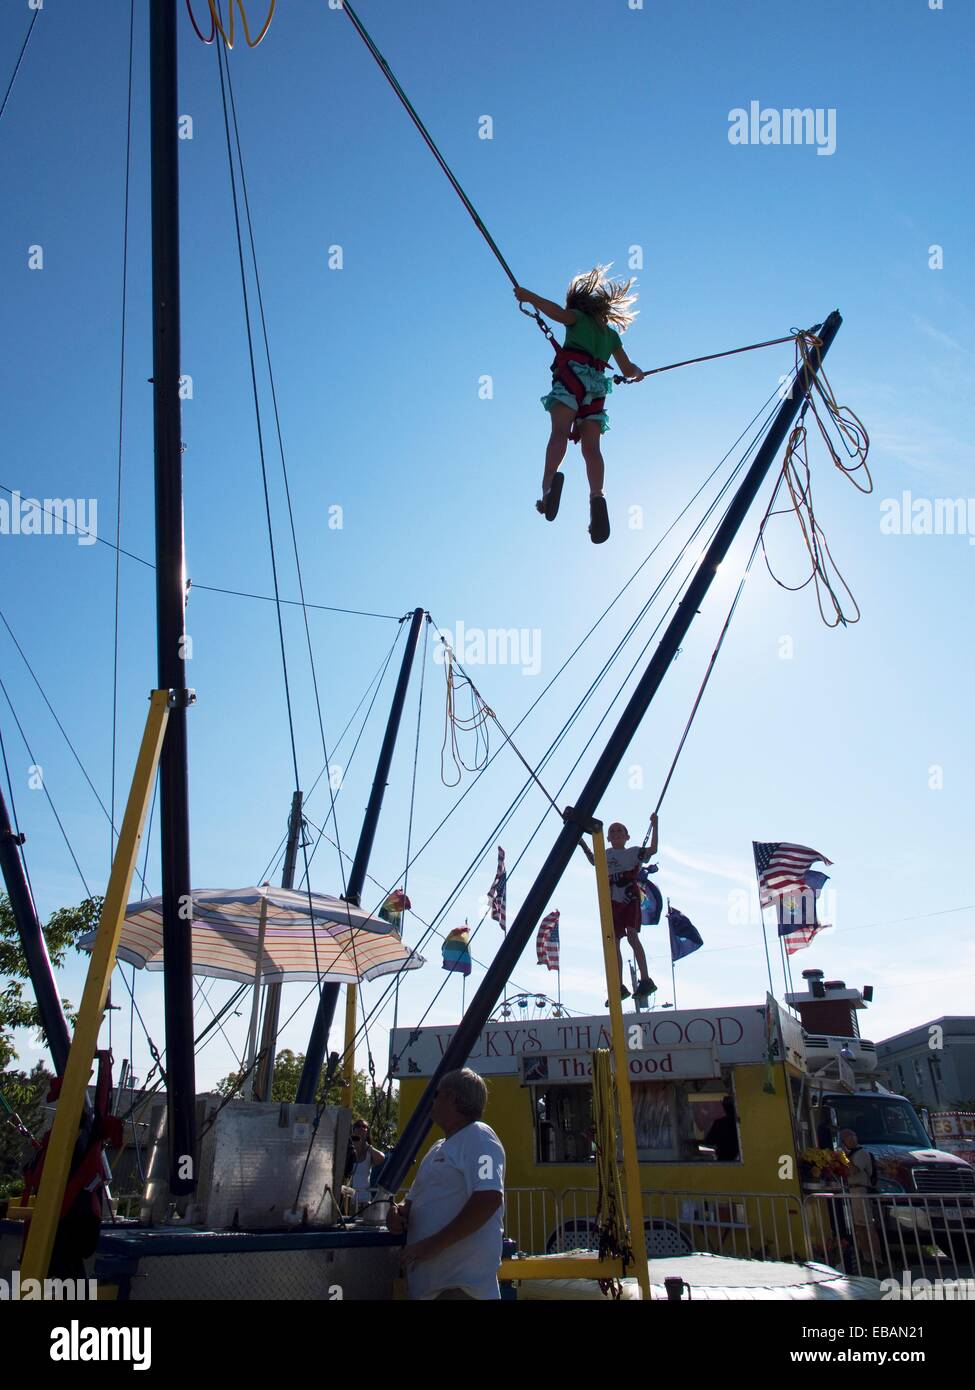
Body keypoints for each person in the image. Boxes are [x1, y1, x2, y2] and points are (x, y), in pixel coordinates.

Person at [513, 266, 646, 544]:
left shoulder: (577, 317)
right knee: (592, 449)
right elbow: (627, 366)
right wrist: (637, 374)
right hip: (596, 389)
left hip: (570, 377)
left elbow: (553, 311)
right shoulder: (610, 335)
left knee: (559, 432)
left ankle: (548, 489)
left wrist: (529, 296)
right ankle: (597, 496)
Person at [387, 1068, 505, 1300]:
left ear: (452, 1098)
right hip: (429, 1290)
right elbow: (411, 1202)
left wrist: (432, 1245)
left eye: (436, 1094)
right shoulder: (437, 1148)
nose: (432, 1100)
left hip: (461, 1289)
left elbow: (489, 1197)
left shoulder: (480, 1137)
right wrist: (397, 1212)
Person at [603, 817, 658, 1002]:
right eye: (613, 831)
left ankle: (645, 979)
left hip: (630, 898)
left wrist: (655, 825)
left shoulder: (634, 852)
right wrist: (580, 843)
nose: (616, 833)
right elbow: (593, 860)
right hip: (612, 900)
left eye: (620, 830)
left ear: (627, 836)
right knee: (614, 941)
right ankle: (618, 985)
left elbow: (653, 849)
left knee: (632, 935)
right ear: (608, 838)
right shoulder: (606, 854)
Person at [839, 1127, 882, 1271]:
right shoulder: (851, 1154)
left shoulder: (861, 1153)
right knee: (858, 1226)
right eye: (846, 1138)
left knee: (868, 1225)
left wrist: (843, 1157)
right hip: (851, 1189)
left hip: (861, 1189)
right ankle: (865, 1256)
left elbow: (853, 1170)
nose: (849, 1140)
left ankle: (877, 1258)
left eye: (851, 1137)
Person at [342, 1117, 385, 1214]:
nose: (361, 1128)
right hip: (347, 1201)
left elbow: (382, 1158)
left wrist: (367, 1146)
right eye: (358, 1126)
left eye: (364, 1127)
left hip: (364, 1200)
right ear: (353, 1129)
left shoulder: (369, 1152)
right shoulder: (346, 1149)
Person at [702, 1096, 740, 1162]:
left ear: (724, 1108)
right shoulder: (741, 1123)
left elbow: (705, 1148)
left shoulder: (719, 1123)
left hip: (723, 1161)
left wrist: (717, 1151)